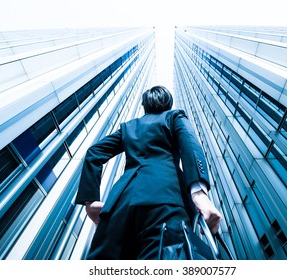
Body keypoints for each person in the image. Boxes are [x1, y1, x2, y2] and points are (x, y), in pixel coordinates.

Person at [75, 85, 222, 259]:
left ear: (145, 105)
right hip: (164, 198)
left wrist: (90, 201)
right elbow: (189, 144)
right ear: (168, 103)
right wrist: (199, 194)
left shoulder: (128, 127)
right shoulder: (173, 116)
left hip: (120, 206)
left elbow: (94, 152)